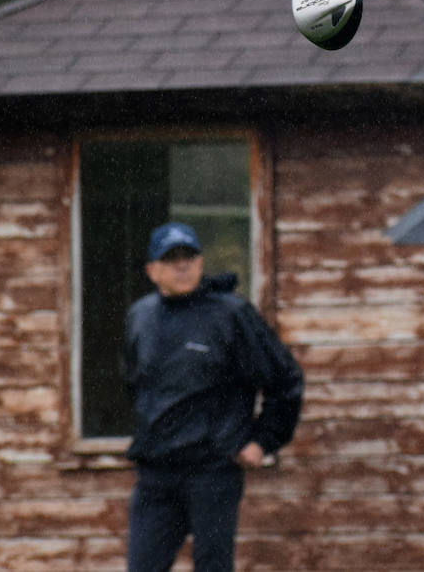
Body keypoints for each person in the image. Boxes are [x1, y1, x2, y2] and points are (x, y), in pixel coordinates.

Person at [124, 221, 303, 572]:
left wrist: (263, 441)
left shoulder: (231, 315)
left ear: (201, 262)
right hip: (156, 473)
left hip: (212, 471)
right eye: (171, 258)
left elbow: (285, 380)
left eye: (189, 257)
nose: (182, 266)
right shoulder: (140, 317)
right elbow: (134, 384)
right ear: (151, 270)